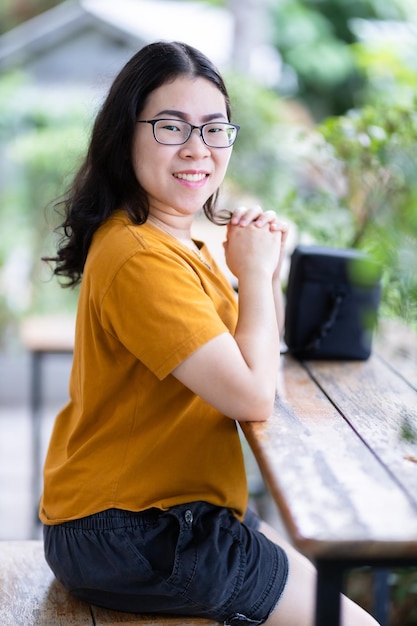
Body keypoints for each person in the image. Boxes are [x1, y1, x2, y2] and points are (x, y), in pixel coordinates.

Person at [40, 41, 379, 626]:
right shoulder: (140, 257)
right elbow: (252, 395)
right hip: (133, 532)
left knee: (320, 587)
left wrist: (262, 275)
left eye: (215, 129)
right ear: (125, 134)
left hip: (151, 517)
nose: (198, 148)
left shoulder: (169, 241)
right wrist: (248, 270)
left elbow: (255, 358)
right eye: (172, 127)